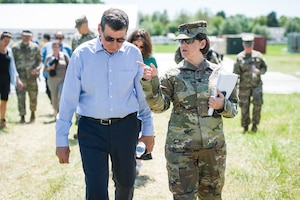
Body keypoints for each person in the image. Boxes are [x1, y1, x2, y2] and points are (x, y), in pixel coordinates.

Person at [55, 8, 155, 200]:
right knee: (95, 189)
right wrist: (61, 140)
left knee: (126, 184)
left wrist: (148, 131)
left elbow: (142, 97)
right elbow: (68, 100)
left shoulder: (133, 54)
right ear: (99, 29)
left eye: (121, 39)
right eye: (109, 38)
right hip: (91, 130)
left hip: (126, 129)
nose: (115, 45)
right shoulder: (81, 55)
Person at [139, 20, 238, 199]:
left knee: (212, 196)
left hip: (213, 150)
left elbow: (234, 109)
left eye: (188, 41)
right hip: (180, 151)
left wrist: (222, 105)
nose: (183, 45)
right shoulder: (172, 75)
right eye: (181, 41)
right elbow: (159, 106)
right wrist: (150, 82)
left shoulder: (219, 73)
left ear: (202, 43)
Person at [127, 28, 157, 175]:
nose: (138, 49)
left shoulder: (151, 60)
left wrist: (151, 77)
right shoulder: (125, 58)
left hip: (144, 102)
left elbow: (155, 84)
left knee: (142, 132)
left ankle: (138, 161)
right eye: (135, 45)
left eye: (141, 46)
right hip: (127, 101)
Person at [233, 35, 267, 133]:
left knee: (257, 105)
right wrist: (236, 87)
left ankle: (255, 125)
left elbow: (264, 68)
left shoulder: (258, 56)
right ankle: (245, 126)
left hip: (257, 86)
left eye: (250, 45)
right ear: (243, 45)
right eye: (246, 45)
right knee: (244, 106)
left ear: (252, 45)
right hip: (244, 87)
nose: (248, 47)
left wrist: (259, 71)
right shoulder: (239, 57)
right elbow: (235, 73)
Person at [71, 14, 97, 138]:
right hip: (79, 75)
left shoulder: (96, 37)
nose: (77, 29)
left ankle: (92, 131)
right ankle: (80, 130)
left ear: (85, 25)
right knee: (78, 103)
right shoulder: (75, 38)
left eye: (79, 26)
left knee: (91, 103)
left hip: (92, 76)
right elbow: (73, 56)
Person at [12, 30, 41, 123]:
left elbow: (40, 60)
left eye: (29, 36)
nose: (27, 38)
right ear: (21, 36)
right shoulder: (15, 48)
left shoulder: (35, 47)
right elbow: (12, 63)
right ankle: (22, 115)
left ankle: (33, 112)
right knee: (21, 97)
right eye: (25, 36)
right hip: (21, 77)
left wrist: (37, 69)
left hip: (32, 77)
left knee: (33, 96)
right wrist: (15, 76)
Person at [41, 31, 72, 104]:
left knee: (61, 95)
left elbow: (70, 62)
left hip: (63, 77)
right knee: (50, 93)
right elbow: (43, 59)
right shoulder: (47, 46)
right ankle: (55, 106)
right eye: (57, 37)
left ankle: (59, 109)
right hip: (50, 76)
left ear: (63, 38)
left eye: (60, 38)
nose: (59, 39)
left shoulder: (68, 48)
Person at [0, 31, 23, 128]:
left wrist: (18, 79)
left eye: (8, 41)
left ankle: (2, 120)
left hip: (6, 79)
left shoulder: (9, 51)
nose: (7, 43)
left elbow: (13, 67)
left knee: (4, 100)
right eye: (5, 40)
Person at [44, 40, 69, 120]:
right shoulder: (49, 57)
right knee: (54, 97)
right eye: (53, 46)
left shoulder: (64, 56)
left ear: (60, 47)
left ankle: (61, 114)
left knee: (61, 96)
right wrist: (50, 68)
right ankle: (55, 113)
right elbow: (45, 69)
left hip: (63, 80)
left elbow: (70, 67)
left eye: (57, 46)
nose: (55, 48)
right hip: (52, 80)